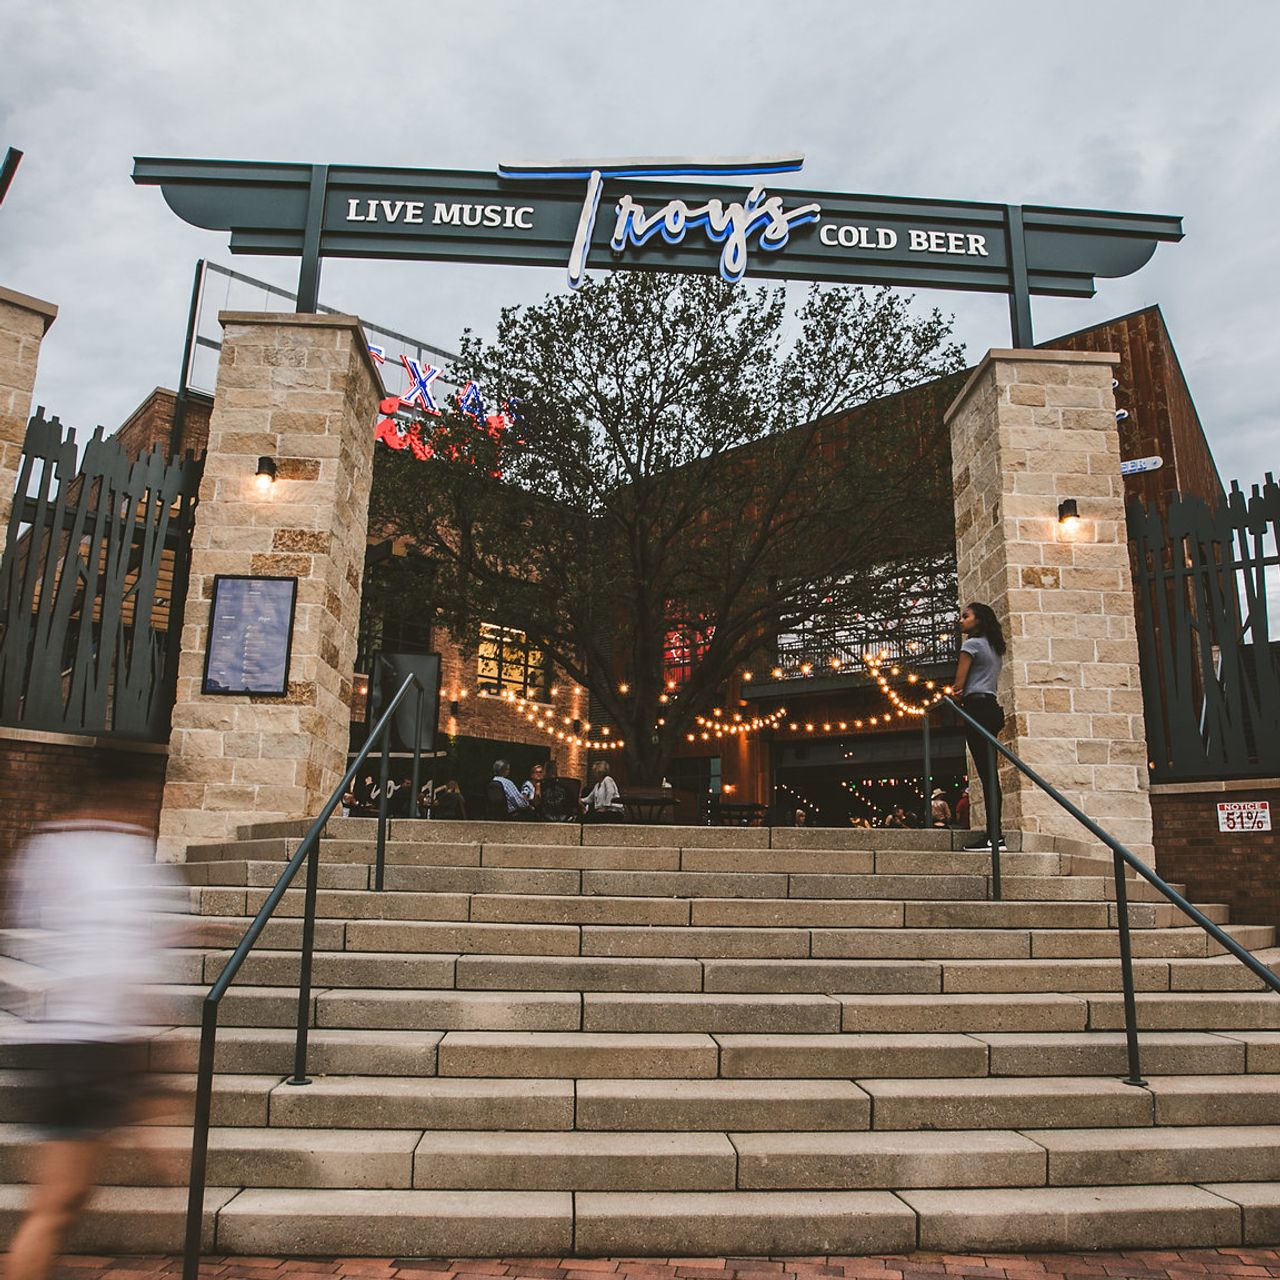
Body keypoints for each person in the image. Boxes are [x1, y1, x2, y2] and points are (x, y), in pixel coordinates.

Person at [3, 754, 187, 1280]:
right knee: (58, 1204)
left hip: (60, 1036)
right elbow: (123, 959)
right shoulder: (131, 857)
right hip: (98, 1042)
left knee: (66, 1198)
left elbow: (37, 926)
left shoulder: (47, 847)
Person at [953, 600, 1007, 851]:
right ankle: (995, 834)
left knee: (986, 776)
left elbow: (959, 686)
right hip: (992, 708)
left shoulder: (971, 645)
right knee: (990, 775)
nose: (961, 620)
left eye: (966, 616)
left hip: (976, 708)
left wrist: (954, 695)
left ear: (979, 620)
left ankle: (994, 837)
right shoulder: (994, 647)